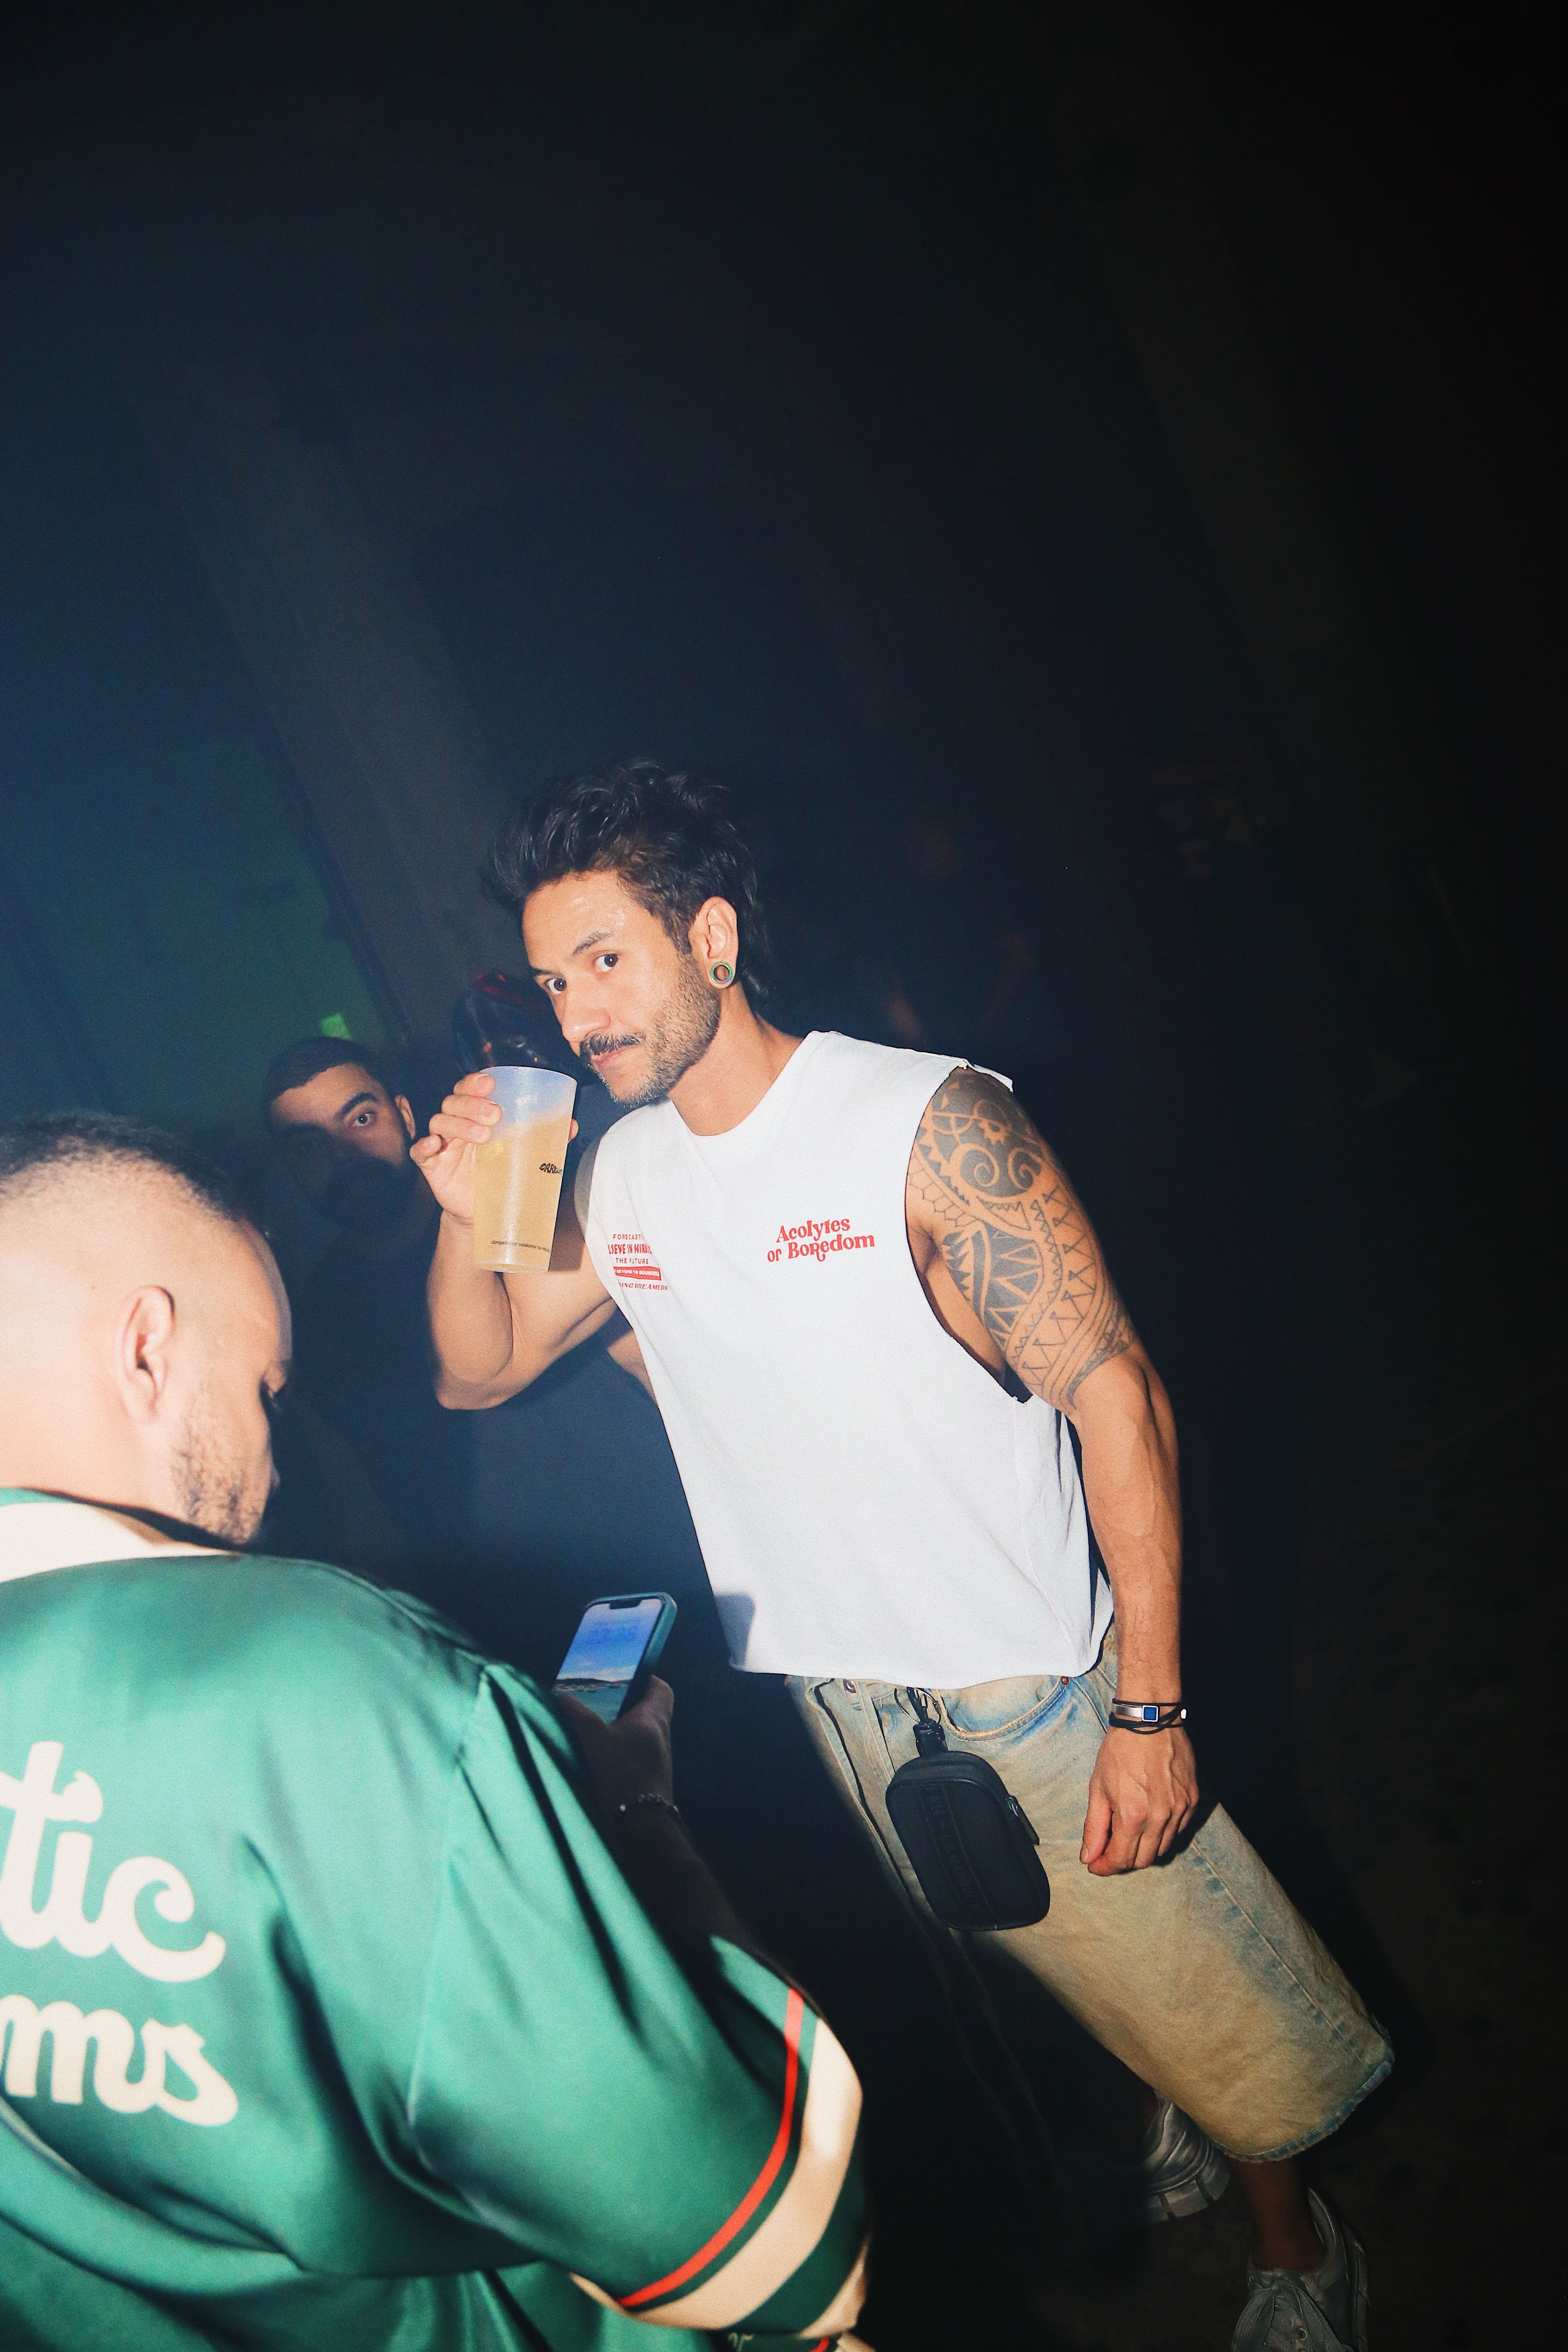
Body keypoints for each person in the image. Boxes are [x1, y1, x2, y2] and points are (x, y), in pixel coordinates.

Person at [418, 761, 1387, 2352]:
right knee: (1053, 1967)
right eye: (551, 981)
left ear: (712, 937)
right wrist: (469, 1208)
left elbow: (1118, 1392)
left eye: (605, 959)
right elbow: (483, 1367)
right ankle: (1183, 2119)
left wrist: (1152, 1705)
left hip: (1026, 1679)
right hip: (846, 1696)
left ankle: (1299, 2242)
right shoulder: (626, 1170)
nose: (577, 1013)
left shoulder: (926, 1120)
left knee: (1207, 1987)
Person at [0, 1111, 869, 2352]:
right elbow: (782, 2249)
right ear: (146, 1352)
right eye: (263, 1392)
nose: (275, 1465)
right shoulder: (315, 1683)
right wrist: (632, 1809)